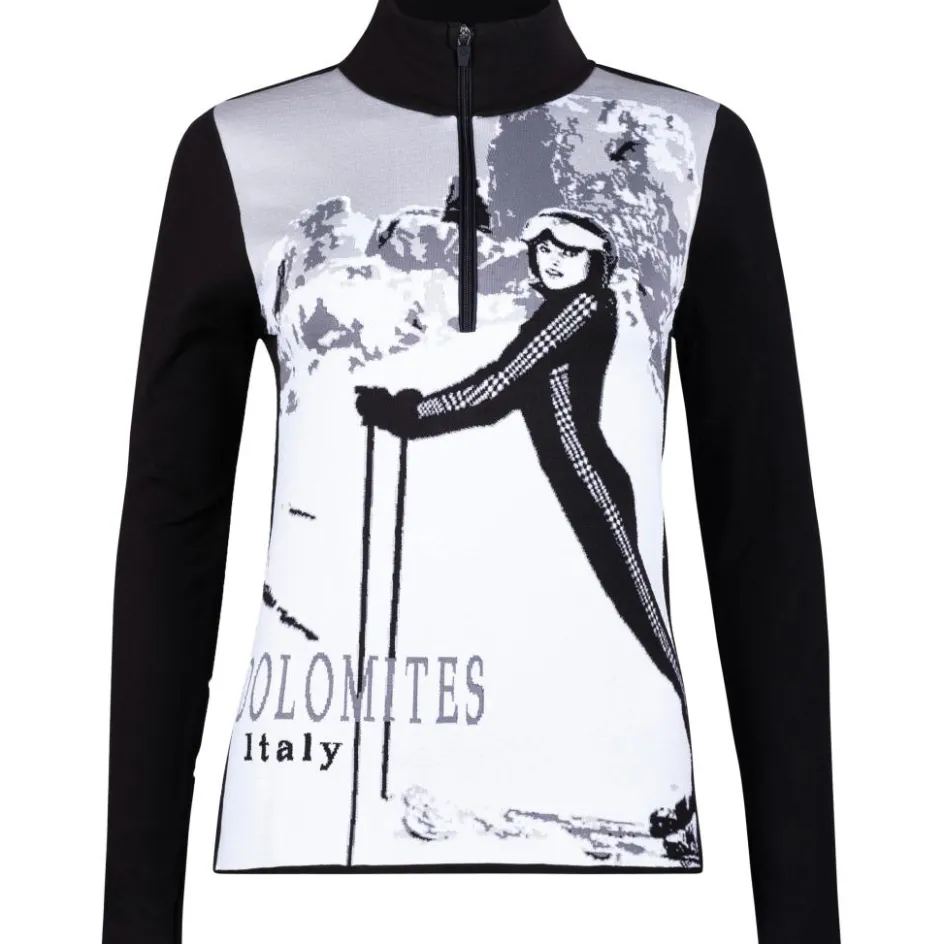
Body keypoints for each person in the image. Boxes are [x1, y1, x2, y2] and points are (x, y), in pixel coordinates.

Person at [355, 207, 696, 853]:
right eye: (544, 248)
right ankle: (628, 792)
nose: (552, 260)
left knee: (639, 623)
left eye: (568, 251)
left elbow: (501, 385)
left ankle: (671, 796)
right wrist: (411, 411)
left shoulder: (580, 310)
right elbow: (504, 393)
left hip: (592, 486)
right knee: (608, 627)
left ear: (595, 262)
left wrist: (410, 414)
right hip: (572, 488)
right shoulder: (564, 311)